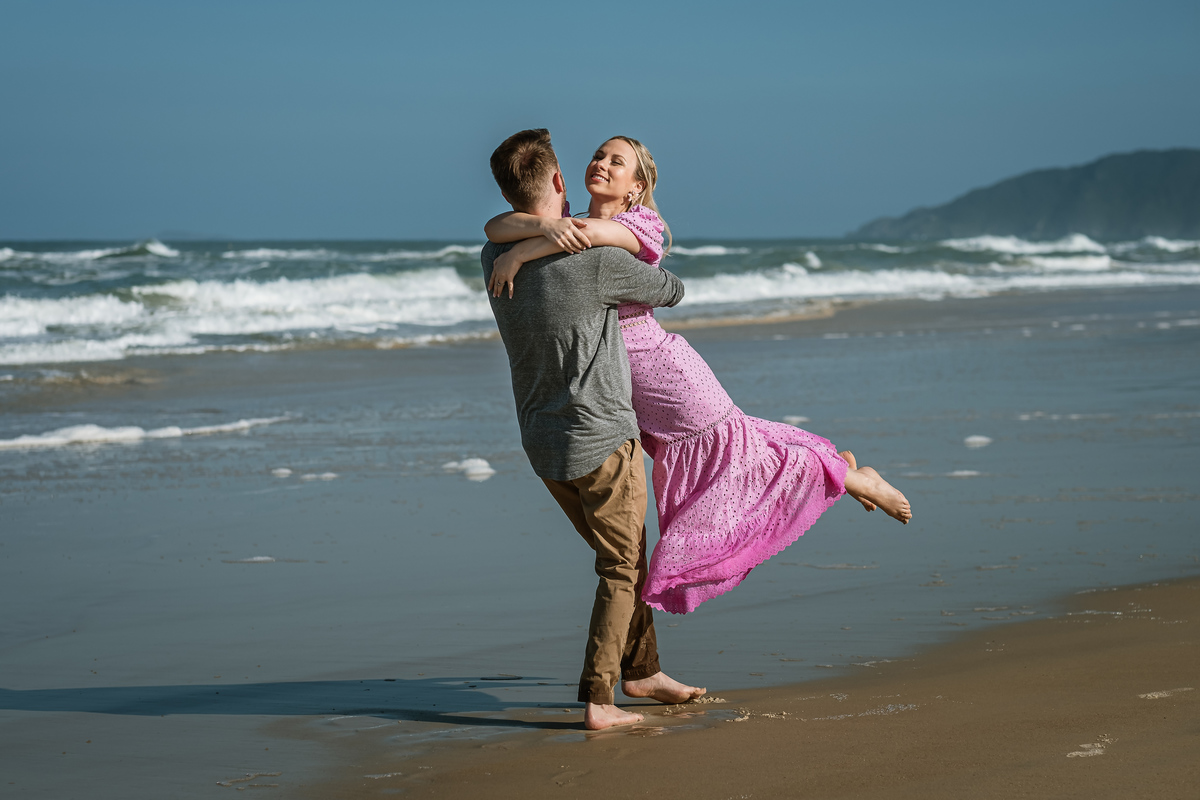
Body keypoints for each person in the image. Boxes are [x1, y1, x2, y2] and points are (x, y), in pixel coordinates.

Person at [485, 135, 913, 615]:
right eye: (598, 155)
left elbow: (586, 238)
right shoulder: (567, 225)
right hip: (626, 377)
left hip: (663, 369)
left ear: (636, 186)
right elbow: (495, 224)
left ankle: (849, 478)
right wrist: (538, 230)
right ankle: (834, 466)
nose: (601, 163)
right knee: (741, 446)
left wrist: (519, 253)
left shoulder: (636, 224)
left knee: (734, 451)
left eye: (616, 161)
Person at [482, 128, 706, 730]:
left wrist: (525, 241)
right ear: (560, 182)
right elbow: (672, 288)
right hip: (602, 437)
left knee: (622, 555)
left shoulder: (492, 258)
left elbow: (497, 228)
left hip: (543, 442)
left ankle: (643, 670)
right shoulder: (599, 263)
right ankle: (601, 699)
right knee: (621, 568)